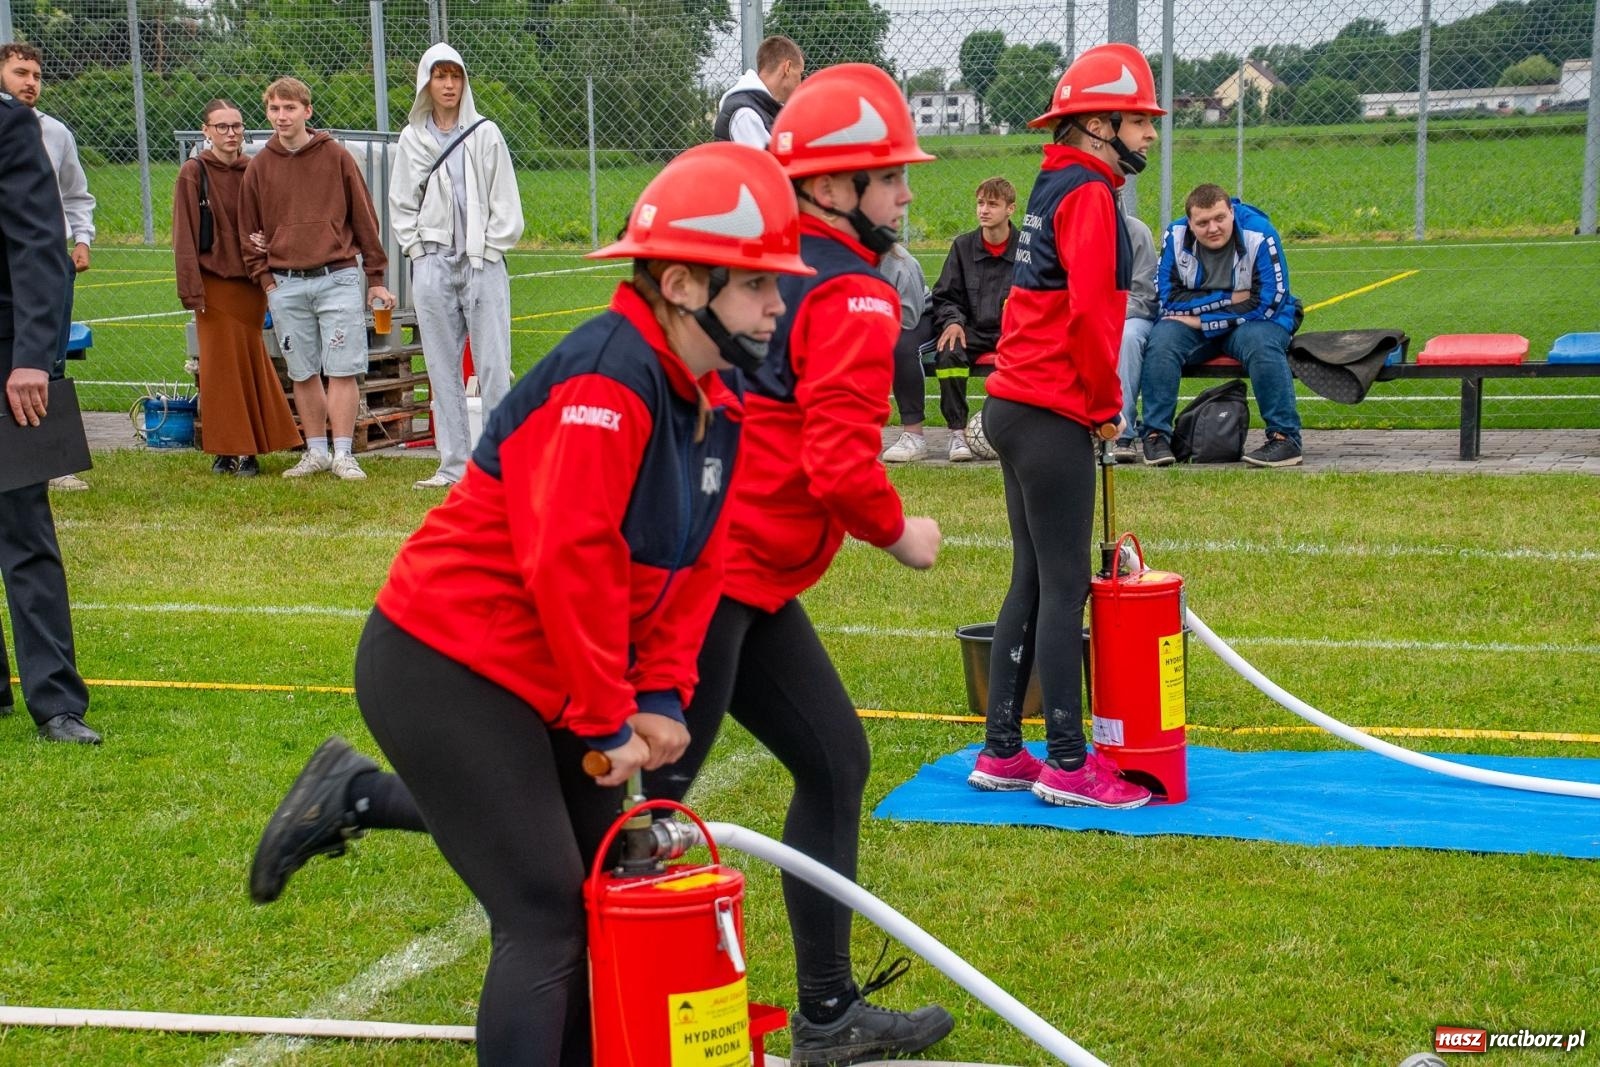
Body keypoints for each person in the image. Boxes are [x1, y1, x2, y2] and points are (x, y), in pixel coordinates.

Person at [249, 66, 954, 1067]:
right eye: (757, 284)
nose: (776, 304)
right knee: (546, 913)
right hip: (447, 662)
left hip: (540, 673)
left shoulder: (712, 396)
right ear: (683, 285)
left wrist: (660, 696)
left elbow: (698, 569)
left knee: (599, 887)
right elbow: (568, 562)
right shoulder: (608, 379)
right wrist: (606, 717)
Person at [965, 43, 1162, 809]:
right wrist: (1106, 405)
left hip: (1015, 403)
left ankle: (1003, 749)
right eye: (1138, 120)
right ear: (1098, 124)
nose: (1149, 133)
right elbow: (1090, 316)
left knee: (1033, 576)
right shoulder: (1089, 196)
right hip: (1049, 408)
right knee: (1066, 583)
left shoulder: (1056, 182)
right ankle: (1071, 763)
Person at [0, 84, 100, 743]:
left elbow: (39, 246)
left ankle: (56, 701)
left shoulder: (10, 125)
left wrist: (34, 357)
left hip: (10, 355)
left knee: (22, 526)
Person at [238, 76, 395, 481]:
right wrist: (266, 281)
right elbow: (248, 232)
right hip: (286, 284)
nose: (281, 116)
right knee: (302, 371)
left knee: (342, 368)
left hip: (336, 277)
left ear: (307, 111)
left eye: (290, 108)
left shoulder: (337, 157)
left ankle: (343, 453)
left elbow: (365, 219)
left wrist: (375, 277)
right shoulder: (259, 167)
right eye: (274, 108)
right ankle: (316, 452)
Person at [390, 44, 525, 491]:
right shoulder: (412, 139)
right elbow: (401, 202)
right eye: (440, 76)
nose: (448, 85)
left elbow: (506, 201)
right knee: (441, 366)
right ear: (426, 82)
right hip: (432, 262)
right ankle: (453, 465)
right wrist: (418, 250)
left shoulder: (485, 133)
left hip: (482, 262)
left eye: (455, 76)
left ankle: (500, 464)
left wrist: (489, 248)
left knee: (493, 365)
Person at [173, 99, 303, 476]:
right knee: (219, 370)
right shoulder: (193, 172)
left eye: (237, 126)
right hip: (213, 285)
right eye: (222, 127)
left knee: (249, 364)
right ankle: (229, 450)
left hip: (251, 284)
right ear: (206, 131)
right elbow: (183, 235)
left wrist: (269, 246)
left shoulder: (254, 169)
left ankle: (247, 449)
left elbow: (277, 218)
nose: (231, 133)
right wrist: (190, 289)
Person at [1139, 183, 1305, 468]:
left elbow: (1268, 301)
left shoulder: (1260, 234)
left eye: (1219, 218)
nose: (1213, 228)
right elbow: (1169, 298)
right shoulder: (1174, 235)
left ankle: (1285, 438)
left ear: (1232, 212)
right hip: (1202, 322)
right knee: (1162, 339)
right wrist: (1229, 299)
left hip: (1256, 321)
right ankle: (1156, 436)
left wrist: (1204, 320)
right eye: (1202, 223)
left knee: (1262, 344)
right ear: (1190, 223)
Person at [0, 42, 96, 492]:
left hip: (44, 263)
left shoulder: (54, 132)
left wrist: (82, 239)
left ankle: (52, 463)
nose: (30, 83)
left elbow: (76, 194)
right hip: (10, 268)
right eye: (20, 73)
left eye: (36, 75)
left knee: (48, 359)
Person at [887, 176, 1019, 463]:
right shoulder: (963, 246)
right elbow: (945, 295)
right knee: (949, 352)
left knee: (1034, 358)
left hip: (1013, 331)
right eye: (980, 203)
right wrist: (953, 322)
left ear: (1010, 209)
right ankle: (957, 432)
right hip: (970, 328)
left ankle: (1025, 432)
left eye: (992, 204)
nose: (984, 210)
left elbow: (1038, 295)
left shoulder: (1025, 250)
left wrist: (1020, 326)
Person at [878, 242, 935, 462]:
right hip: (873, 318)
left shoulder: (901, 264)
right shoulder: (845, 256)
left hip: (917, 316)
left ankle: (914, 435)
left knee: (901, 347)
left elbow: (908, 319)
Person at [1111, 207, 1159, 464]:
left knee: (1128, 339)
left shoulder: (1137, 232)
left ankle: (1123, 433)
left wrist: (1107, 317)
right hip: (1085, 314)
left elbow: (1145, 296)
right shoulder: (1071, 232)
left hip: (1132, 315)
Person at [712, 34, 803, 148]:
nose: (801, 83)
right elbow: (767, 159)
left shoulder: (763, 108)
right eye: (800, 74)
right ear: (787, 68)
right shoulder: (746, 114)